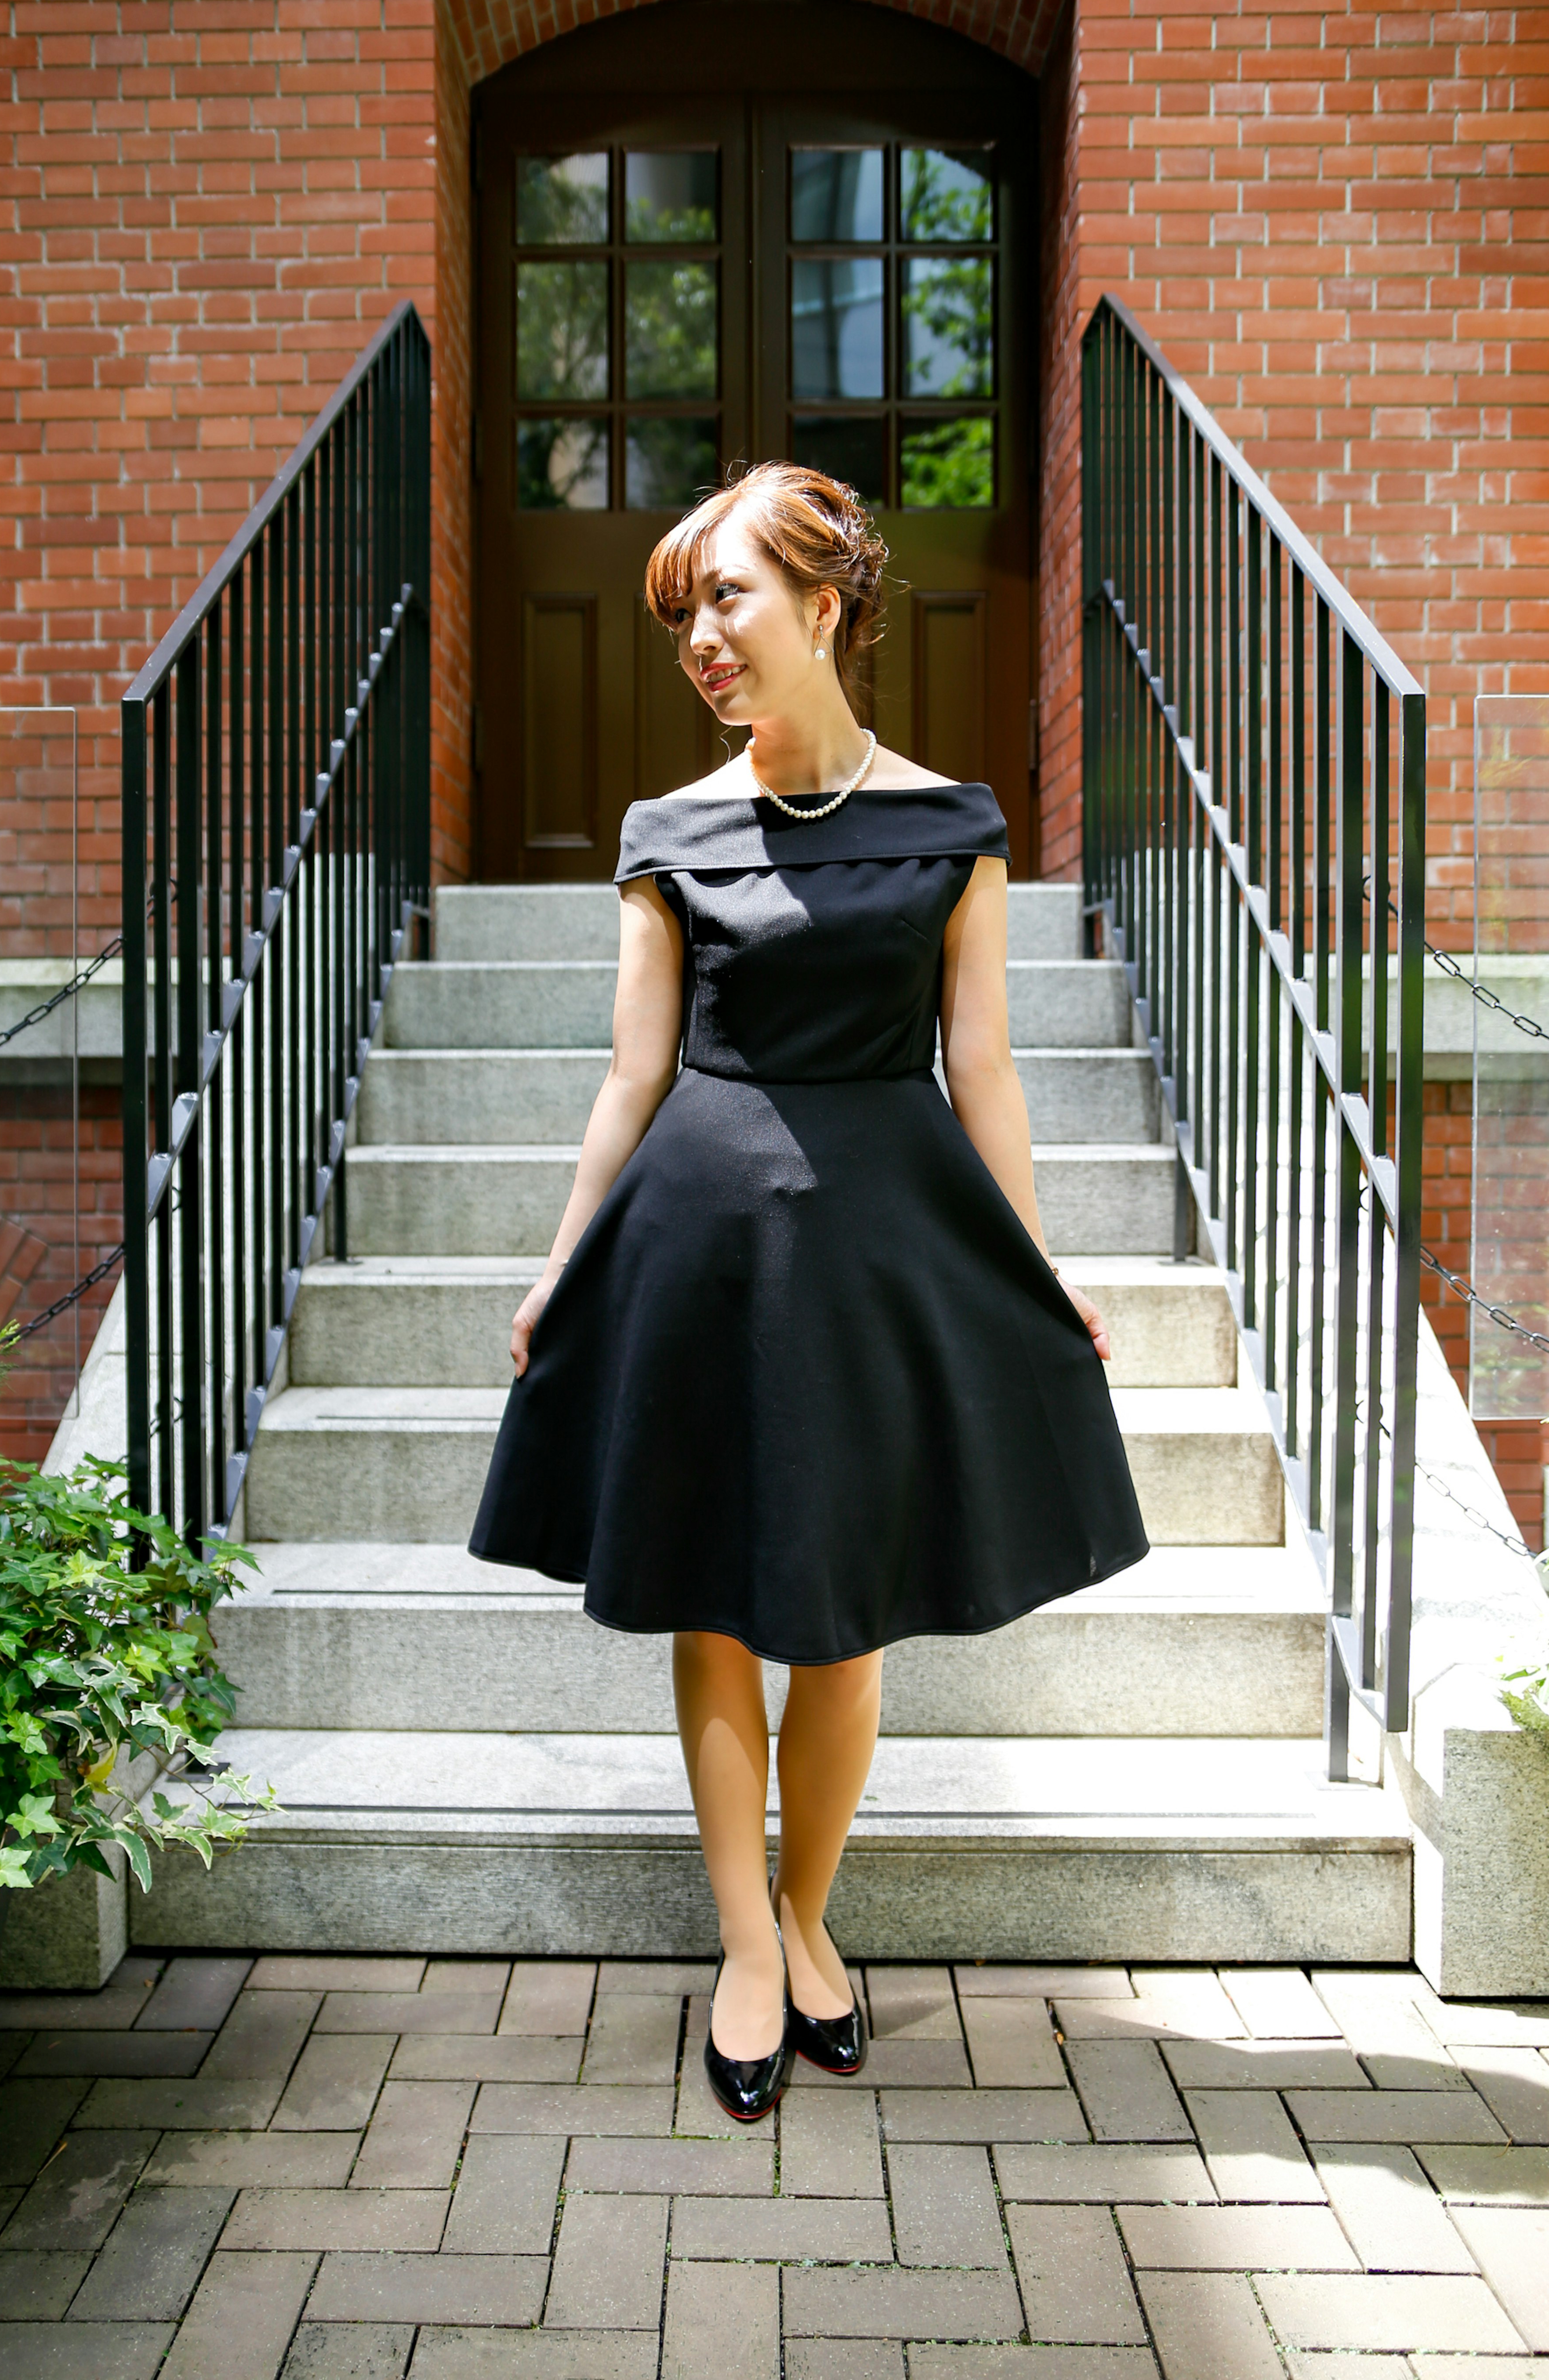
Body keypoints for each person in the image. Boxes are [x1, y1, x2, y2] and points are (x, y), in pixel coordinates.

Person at [470, 464, 1148, 2119]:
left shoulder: (955, 825)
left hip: (882, 1244)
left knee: (843, 1612)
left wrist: (1039, 1263)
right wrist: (566, 1262)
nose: (702, 638)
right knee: (714, 1596)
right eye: (683, 614)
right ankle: (746, 1949)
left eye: (730, 599)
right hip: (700, 1241)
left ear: (825, 608)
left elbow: (981, 1066)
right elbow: (631, 1079)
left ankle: (809, 1910)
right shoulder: (670, 834)